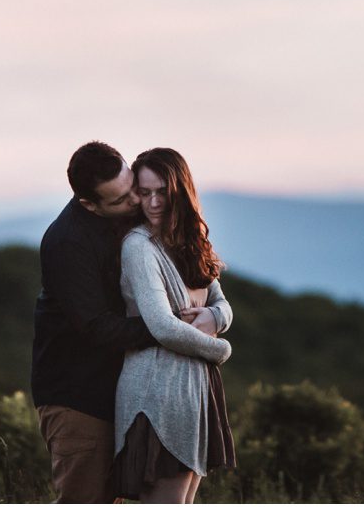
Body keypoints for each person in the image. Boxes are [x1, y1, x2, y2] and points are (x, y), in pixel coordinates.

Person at [31, 141, 160, 503]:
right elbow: (96, 326)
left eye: (132, 187)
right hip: (77, 400)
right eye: (119, 200)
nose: (135, 201)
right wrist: (169, 331)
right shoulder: (67, 242)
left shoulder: (127, 215)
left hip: (119, 393)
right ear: (89, 203)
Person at [113, 147, 236, 504]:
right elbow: (163, 327)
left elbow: (222, 303)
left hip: (194, 390)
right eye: (145, 192)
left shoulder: (190, 242)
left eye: (161, 192)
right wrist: (221, 348)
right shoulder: (139, 246)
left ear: (179, 191)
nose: (152, 203)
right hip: (156, 392)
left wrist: (215, 317)